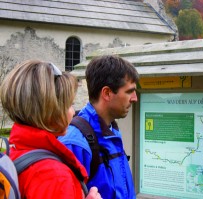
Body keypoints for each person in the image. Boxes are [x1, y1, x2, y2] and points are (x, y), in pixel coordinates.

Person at [0, 60, 102, 199]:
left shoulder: (17, 150)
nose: (73, 112)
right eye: (69, 105)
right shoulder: (54, 176)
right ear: (50, 111)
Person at [59, 55, 139, 199]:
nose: (135, 98)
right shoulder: (74, 143)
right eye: (129, 91)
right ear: (107, 93)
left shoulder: (111, 131)